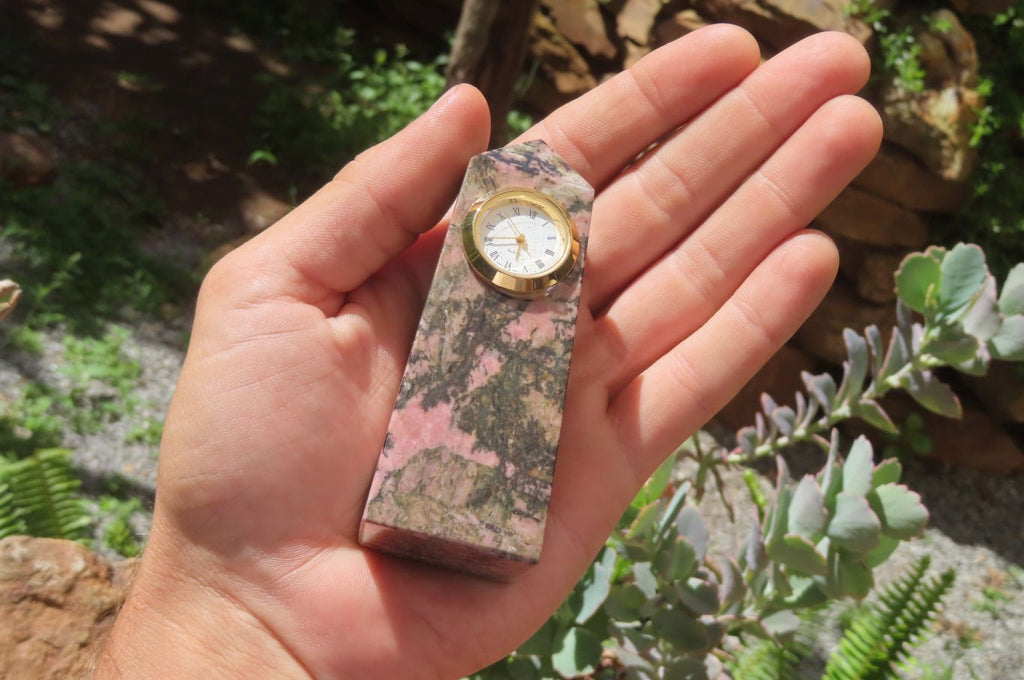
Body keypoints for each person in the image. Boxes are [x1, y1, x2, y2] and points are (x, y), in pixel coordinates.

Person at [94, 25, 880, 679]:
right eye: (510, 233)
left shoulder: (544, 233)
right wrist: (241, 616)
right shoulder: (490, 218)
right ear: (488, 229)